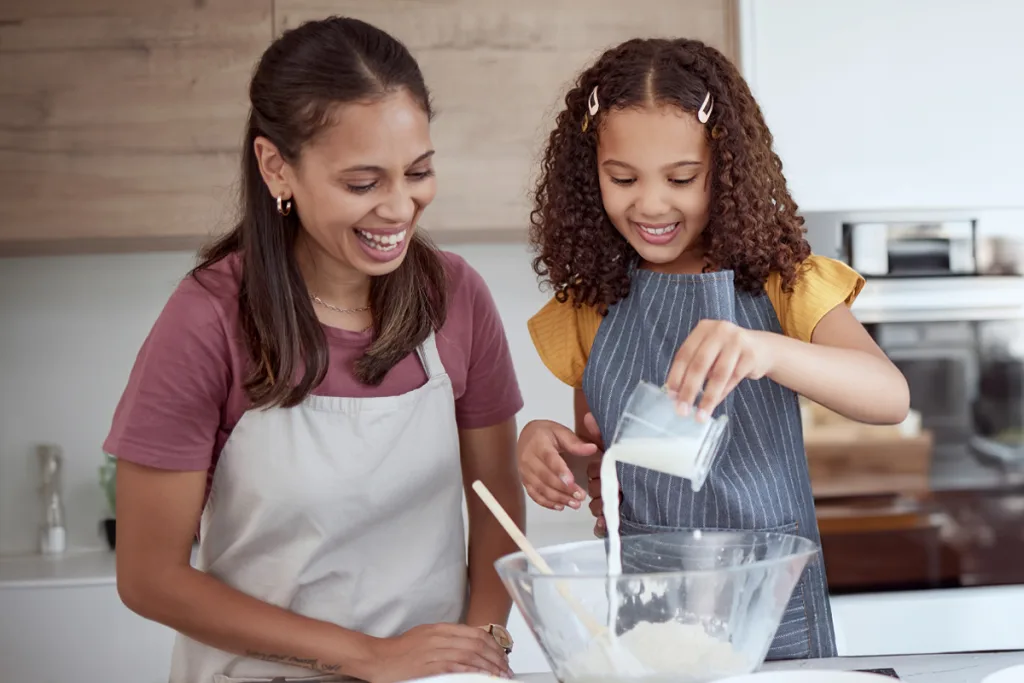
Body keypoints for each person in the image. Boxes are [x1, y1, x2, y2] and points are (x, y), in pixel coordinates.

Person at [104, 17, 524, 683]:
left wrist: (482, 646)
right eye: (362, 183)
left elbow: (498, 503)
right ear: (277, 167)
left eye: (417, 171)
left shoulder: (457, 297)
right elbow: (148, 575)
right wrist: (370, 656)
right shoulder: (209, 317)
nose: (398, 207)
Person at [516, 37, 910, 661]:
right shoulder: (589, 305)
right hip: (649, 613)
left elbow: (889, 397)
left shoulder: (785, 283)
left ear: (726, 171)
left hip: (770, 607)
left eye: (681, 178)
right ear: (590, 175)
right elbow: (604, 471)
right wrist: (547, 448)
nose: (650, 203)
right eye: (622, 178)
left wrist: (767, 350)